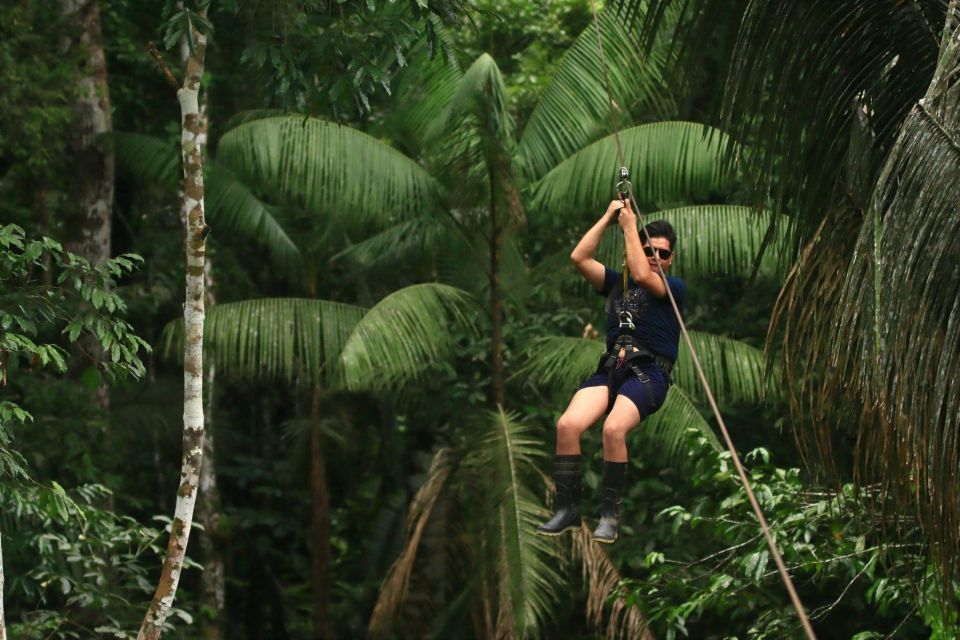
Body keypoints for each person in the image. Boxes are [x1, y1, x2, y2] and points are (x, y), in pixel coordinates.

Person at [536, 198, 685, 543]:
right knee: (568, 425)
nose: (655, 258)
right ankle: (568, 510)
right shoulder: (617, 284)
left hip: (649, 373)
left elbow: (646, 275)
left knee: (613, 429)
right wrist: (608, 217)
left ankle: (609, 516)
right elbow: (579, 258)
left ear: (671, 259)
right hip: (612, 368)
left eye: (663, 253)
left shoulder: (672, 289)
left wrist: (631, 227)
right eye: (650, 250)